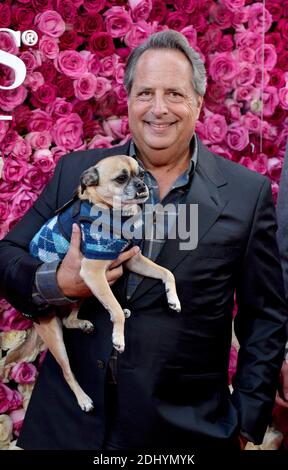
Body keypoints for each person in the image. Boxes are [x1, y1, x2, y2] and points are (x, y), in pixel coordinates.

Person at [0, 30, 287, 452]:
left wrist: (246, 422)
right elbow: (7, 256)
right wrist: (55, 283)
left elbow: (265, 317)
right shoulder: (77, 173)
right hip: (67, 429)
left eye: (174, 93)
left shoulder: (247, 195)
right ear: (128, 100)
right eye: (145, 93)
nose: (158, 109)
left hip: (186, 435)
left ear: (198, 103)